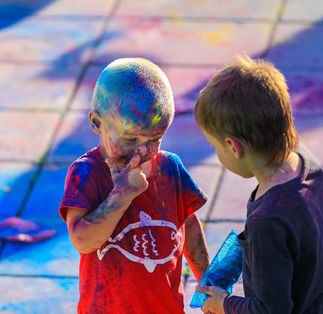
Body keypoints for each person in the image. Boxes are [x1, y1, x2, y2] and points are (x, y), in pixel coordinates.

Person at [194, 56, 323, 314]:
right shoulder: (306, 162)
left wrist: (224, 304)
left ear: (233, 147)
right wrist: (246, 252)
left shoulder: (266, 222)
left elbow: (271, 310)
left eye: (215, 147)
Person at [59, 58, 210, 314]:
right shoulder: (87, 173)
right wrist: (122, 194)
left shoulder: (170, 168)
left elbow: (189, 225)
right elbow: (82, 240)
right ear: (97, 123)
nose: (143, 150)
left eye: (155, 139)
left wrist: (208, 280)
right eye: (130, 138)